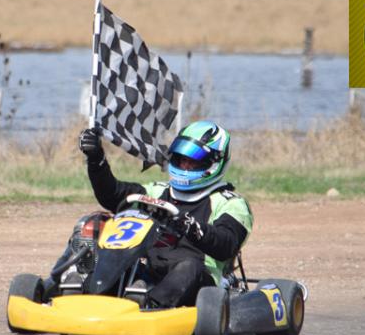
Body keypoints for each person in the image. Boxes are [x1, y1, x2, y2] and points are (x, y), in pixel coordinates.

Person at [78, 121, 253, 308]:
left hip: (198, 282)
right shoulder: (157, 191)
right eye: (181, 158)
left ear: (213, 163)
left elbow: (227, 244)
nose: (185, 165)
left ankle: (152, 306)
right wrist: (96, 160)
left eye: (193, 161)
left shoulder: (230, 203)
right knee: (97, 226)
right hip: (149, 270)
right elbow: (112, 196)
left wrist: (193, 227)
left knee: (189, 266)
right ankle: (79, 291)